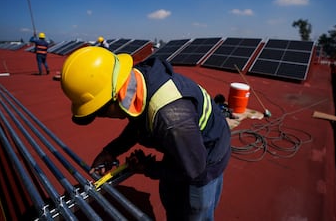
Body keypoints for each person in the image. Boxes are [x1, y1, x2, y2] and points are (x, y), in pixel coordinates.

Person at [60, 46, 231, 220]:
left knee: (195, 211)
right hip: (186, 142)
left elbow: (195, 170)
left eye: (100, 112)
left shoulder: (172, 119)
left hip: (207, 155)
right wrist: (111, 150)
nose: (102, 117)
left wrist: (148, 168)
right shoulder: (133, 81)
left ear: (115, 97)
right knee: (171, 196)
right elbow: (138, 120)